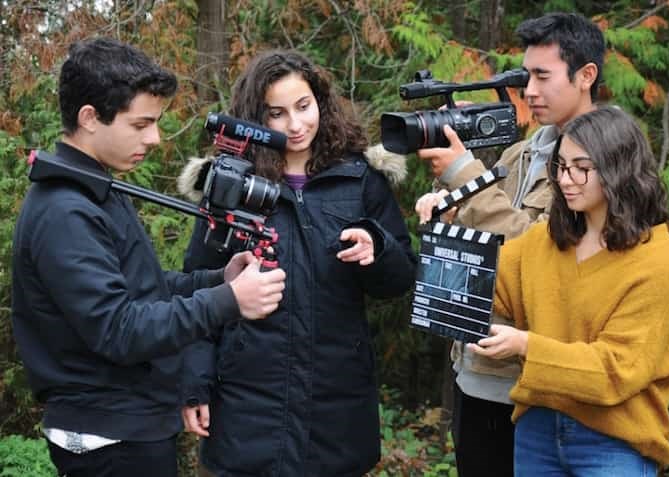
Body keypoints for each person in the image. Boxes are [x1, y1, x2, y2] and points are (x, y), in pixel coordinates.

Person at [11, 37, 286, 477]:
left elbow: (140, 287)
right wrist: (230, 302)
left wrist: (217, 280)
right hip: (111, 441)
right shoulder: (65, 210)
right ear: (89, 119)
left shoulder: (94, 191)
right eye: (140, 124)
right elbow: (119, 329)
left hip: (129, 428)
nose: (155, 138)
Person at [179, 49, 417, 476]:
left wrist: (376, 248)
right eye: (277, 113)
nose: (295, 124)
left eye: (304, 107)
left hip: (336, 407)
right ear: (257, 117)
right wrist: (195, 383)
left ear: (320, 102)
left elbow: (399, 280)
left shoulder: (360, 177)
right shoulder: (233, 183)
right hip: (248, 409)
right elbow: (197, 288)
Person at [414, 12, 605, 476]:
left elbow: (549, 255)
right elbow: (494, 240)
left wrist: (467, 177)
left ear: (586, 76)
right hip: (477, 369)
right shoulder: (522, 152)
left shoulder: (604, 159)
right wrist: (451, 208)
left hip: (536, 386)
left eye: (542, 76)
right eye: (526, 76)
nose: (530, 91)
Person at [467, 105, 669, 475]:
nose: (566, 180)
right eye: (562, 167)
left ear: (619, 171)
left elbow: (617, 369)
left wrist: (526, 346)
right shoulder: (546, 241)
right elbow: (486, 282)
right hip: (537, 431)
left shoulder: (654, 258)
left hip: (616, 439)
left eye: (582, 169)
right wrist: (445, 234)